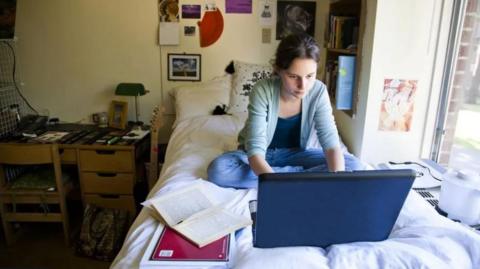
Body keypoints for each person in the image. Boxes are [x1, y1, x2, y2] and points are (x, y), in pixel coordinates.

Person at [208, 33, 364, 189]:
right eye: (293, 76)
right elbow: (255, 151)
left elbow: (331, 144)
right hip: (260, 156)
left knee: (354, 166)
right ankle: (298, 176)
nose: (303, 86)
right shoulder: (262, 90)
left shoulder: (319, 91)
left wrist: (337, 182)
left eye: (310, 76)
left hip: (296, 154)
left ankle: (285, 176)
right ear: (279, 70)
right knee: (219, 171)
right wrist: (278, 186)